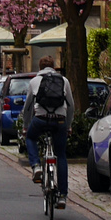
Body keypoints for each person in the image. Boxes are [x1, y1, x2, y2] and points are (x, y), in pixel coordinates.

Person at [21, 56, 74, 210]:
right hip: (59, 121)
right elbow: (71, 106)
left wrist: (25, 126)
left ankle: (36, 166)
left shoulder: (34, 81)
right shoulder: (64, 81)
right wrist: (68, 125)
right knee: (61, 154)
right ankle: (63, 196)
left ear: (40, 67)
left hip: (40, 119)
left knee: (30, 138)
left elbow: (28, 107)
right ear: (54, 66)